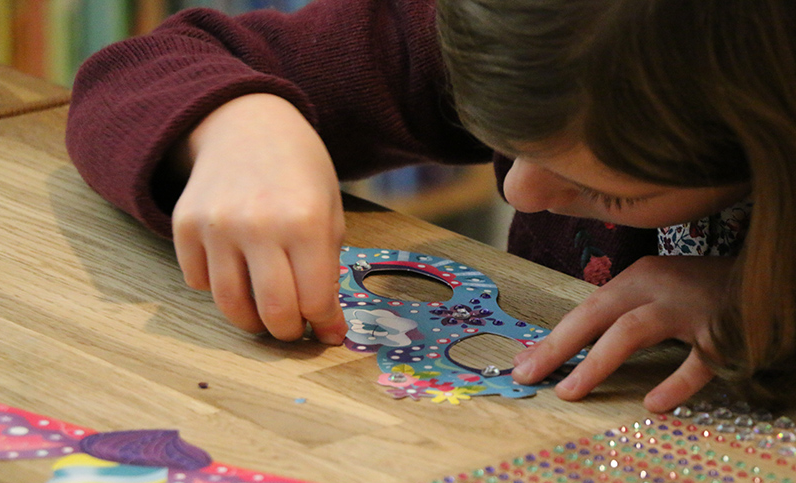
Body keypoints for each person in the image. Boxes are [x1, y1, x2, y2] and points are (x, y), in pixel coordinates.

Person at [66, 0, 795, 412]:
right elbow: (139, 71)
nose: (519, 193)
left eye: (612, 193)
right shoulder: (538, 26)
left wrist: (766, 297)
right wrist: (237, 123)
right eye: (502, 141)